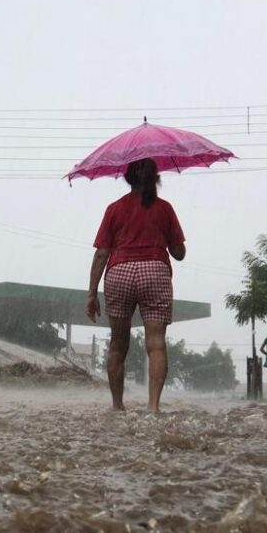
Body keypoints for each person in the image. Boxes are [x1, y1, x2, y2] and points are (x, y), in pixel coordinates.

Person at [85, 158, 186, 412]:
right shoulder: (165, 209)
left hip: (119, 272)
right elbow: (178, 253)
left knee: (118, 345)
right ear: (156, 178)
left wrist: (92, 293)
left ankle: (118, 407)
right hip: (155, 271)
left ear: (128, 177)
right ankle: (153, 407)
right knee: (156, 344)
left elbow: (101, 254)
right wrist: (173, 240)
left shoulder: (114, 209)